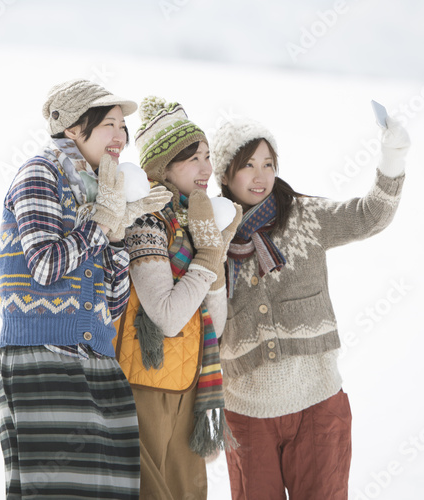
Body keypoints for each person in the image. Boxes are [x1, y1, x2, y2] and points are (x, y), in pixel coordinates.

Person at [210, 115, 410, 499]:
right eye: (248, 165)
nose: (260, 176)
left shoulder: (304, 217)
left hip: (317, 406)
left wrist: (393, 158)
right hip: (247, 416)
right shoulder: (211, 238)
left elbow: (371, 215)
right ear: (225, 174)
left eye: (268, 164)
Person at [0, 79, 171, 500]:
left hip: (96, 359)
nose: (120, 136)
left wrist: (116, 236)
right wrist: (102, 223)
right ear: (73, 128)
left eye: (123, 127)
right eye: (109, 123)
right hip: (45, 357)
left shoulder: (100, 191)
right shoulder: (41, 172)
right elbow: (44, 265)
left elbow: (111, 305)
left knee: (109, 489)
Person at [112, 96, 241, 500]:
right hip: (144, 382)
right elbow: (168, 316)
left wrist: (213, 250)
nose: (206, 169)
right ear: (163, 168)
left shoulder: (195, 221)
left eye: (207, 156)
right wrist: (207, 256)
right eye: (192, 159)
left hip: (189, 383)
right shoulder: (147, 220)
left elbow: (214, 325)